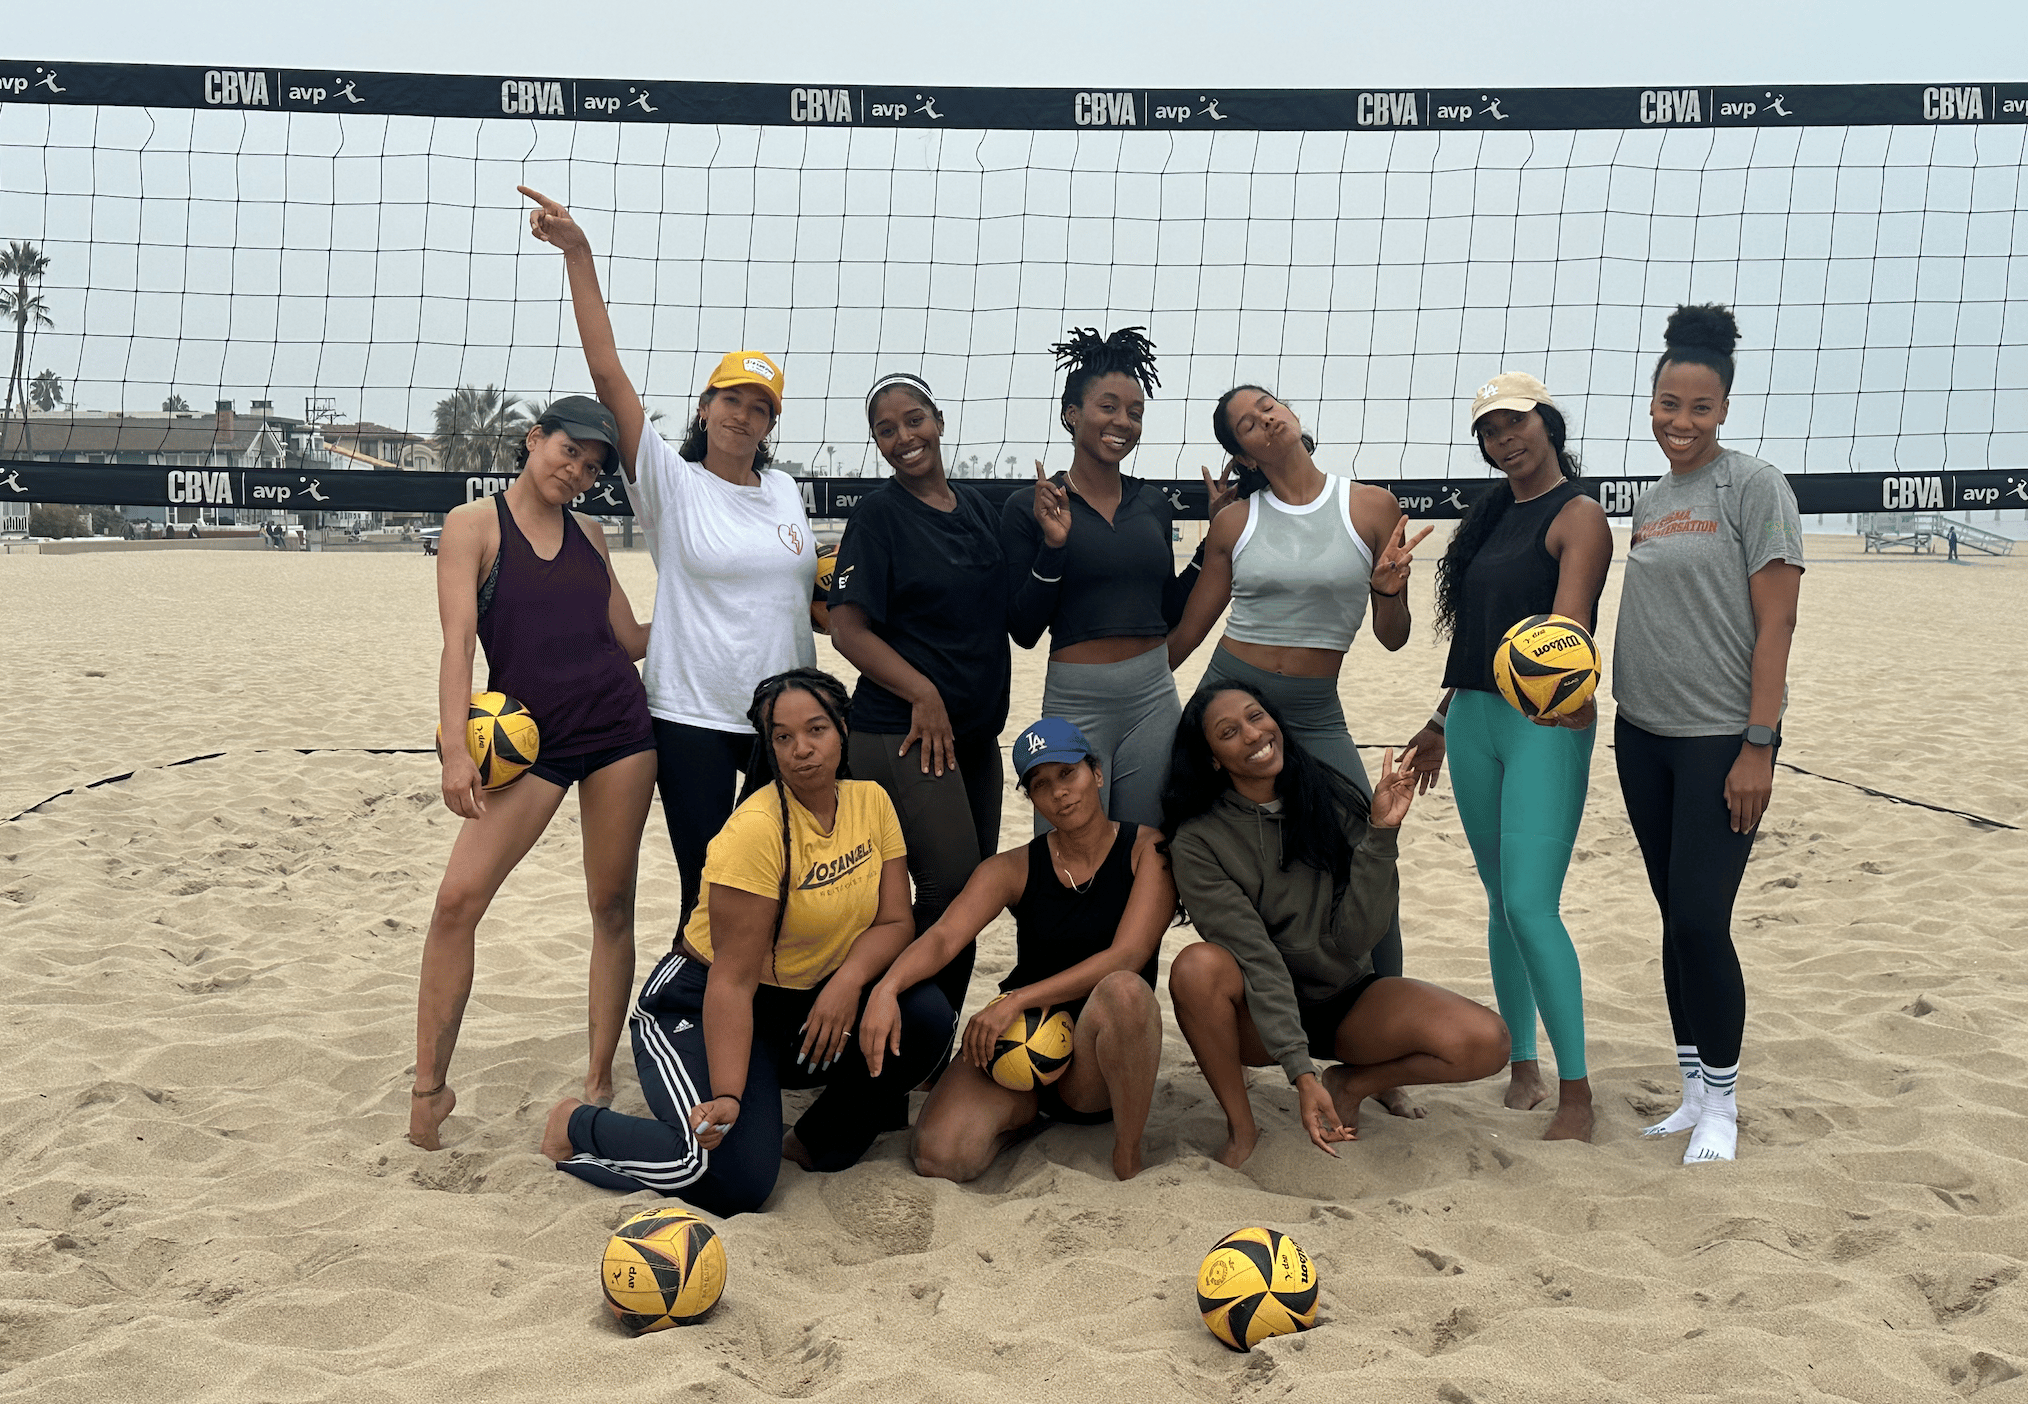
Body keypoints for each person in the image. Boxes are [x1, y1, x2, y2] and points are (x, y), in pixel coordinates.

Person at [542, 669, 956, 1215]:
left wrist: (852, 984)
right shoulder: (755, 832)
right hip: (698, 1000)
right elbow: (731, 981)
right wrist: (731, 1095)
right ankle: (576, 1124)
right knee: (735, 1184)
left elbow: (895, 922)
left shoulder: (871, 802)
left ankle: (815, 1141)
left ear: (842, 730)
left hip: (803, 1003)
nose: (802, 750)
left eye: (815, 730)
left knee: (925, 1017)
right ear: (770, 746)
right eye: (783, 737)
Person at [522, 185, 817, 931]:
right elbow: (607, 374)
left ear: (769, 423)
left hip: (785, 721)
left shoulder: (785, 492)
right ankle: (700, 1031)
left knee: (785, 888)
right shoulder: (669, 482)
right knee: (709, 889)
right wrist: (579, 256)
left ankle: (765, 1033)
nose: (743, 415)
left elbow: (801, 595)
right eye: (731, 399)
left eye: (760, 407)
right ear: (703, 407)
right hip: (693, 717)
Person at [411, 396, 657, 1151]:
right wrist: (455, 749)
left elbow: (630, 638)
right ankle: (429, 1092)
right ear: (533, 439)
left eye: (592, 465)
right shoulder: (473, 527)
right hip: (530, 745)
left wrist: (737, 602)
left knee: (610, 906)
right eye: (569, 451)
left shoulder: (591, 532)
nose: (578, 471)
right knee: (457, 901)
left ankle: (597, 1078)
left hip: (620, 731)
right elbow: (457, 647)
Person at [1163, 682, 1508, 1168]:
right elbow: (1255, 957)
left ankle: (1352, 1083)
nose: (1253, 734)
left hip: (1346, 999)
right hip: (1259, 1015)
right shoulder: (1198, 840)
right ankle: (1242, 1128)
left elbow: (1358, 939)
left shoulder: (1325, 794)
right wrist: (1301, 1073)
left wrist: (1381, 837)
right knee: (1197, 968)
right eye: (1229, 731)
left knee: (1487, 1041)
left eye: (1256, 716)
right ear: (1213, 758)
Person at [1399, 373, 1613, 1142]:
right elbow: (1477, 641)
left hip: (1544, 721)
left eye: (1516, 422)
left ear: (1549, 422)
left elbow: (1567, 628)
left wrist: (1565, 691)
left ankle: (1578, 1094)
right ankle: (1522, 1064)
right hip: (1475, 720)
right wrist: (1438, 720)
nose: (1504, 439)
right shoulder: (1490, 519)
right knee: (1499, 901)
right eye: (1490, 431)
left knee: (1530, 902)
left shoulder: (1578, 515)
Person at [1614, 304, 1804, 1165]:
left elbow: (1777, 626)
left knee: (1701, 917)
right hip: (1640, 734)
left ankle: (1724, 1102)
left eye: (1698, 407)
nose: (1680, 421)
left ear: (1723, 408)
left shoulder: (1755, 487)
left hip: (1719, 738)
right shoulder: (1651, 501)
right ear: (1650, 404)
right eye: (1666, 404)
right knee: (1671, 916)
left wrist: (1758, 743)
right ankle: (1692, 1091)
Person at [1167, 384, 1432, 988]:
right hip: (1232, 697)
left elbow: (1394, 638)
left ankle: (1384, 1006)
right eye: (1246, 424)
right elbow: (1188, 633)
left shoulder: (1370, 507)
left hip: (1315, 711)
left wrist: (1388, 590)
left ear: (1290, 414)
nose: (1263, 419)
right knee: (1188, 842)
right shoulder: (1234, 522)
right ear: (1245, 454)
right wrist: (1132, 690)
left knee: (1370, 847)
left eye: (1268, 406)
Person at [861, 718, 1174, 1184]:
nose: (1060, 793)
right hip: (1018, 1042)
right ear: (1031, 799)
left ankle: (1127, 1153)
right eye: (1041, 785)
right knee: (940, 1158)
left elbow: (1127, 955)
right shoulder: (1013, 867)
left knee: (1125, 990)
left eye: (1069, 773)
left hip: (1094, 1060)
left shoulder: (1148, 850)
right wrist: (887, 988)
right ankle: (1020, 1117)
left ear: (1097, 773)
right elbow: (946, 936)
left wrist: (1021, 998)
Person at [827, 373, 1010, 1015]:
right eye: (886, 428)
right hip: (902, 731)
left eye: (914, 420)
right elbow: (846, 630)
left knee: (973, 899)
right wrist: (922, 690)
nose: (904, 436)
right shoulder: (879, 516)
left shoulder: (978, 510)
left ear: (938, 420)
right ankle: (892, 1025)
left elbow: (1018, 617)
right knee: (948, 890)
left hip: (976, 737)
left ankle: (934, 1045)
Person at [1001, 327, 1222, 831]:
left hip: (1152, 697)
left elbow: (1164, 611)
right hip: (1076, 697)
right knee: (1067, 847)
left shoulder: (1153, 504)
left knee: (1147, 848)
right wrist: (1054, 545)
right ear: (1072, 414)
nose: (1123, 421)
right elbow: (1024, 629)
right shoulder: (1030, 506)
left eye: (1135, 412)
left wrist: (1210, 547)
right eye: (1108, 407)